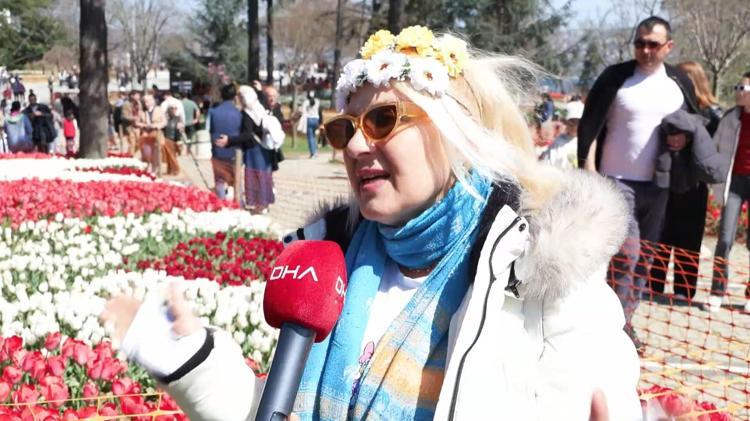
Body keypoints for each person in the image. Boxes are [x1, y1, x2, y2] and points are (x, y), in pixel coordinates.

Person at [103, 26, 641, 420]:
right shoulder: (330, 265)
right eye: (345, 129)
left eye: (384, 119)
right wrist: (194, 360)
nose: (357, 145)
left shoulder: (546, 285)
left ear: (456, 132)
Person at [577, 16, 699, 347]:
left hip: (659, 184)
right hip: (616, 181)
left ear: (668, 47)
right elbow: (591, 124)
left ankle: (625, 321)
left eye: (653, 44)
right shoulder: (616, 78)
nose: (645, 50)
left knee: (644, 258)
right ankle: (613, 325)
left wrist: (684, 140)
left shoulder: (678, 84)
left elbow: (694, 125)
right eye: (640, 43)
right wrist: (589, 166)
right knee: (626, 254)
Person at [650, 61, 724, 302]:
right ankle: (654, 283)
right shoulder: (667, 107)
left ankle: (684, 289)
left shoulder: (711, 115)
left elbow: (713, 150)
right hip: (666, 180)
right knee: (661, 233)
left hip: (694, 185)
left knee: (689, 238)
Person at [708, 71, 750, 313]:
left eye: (743, 88)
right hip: (733, 183)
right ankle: (717, 291)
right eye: (737, 87)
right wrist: (713, 178)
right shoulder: (730, 118)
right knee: (724, 239)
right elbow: (714, 148)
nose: (738, 92)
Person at [215, 86, 276, 214]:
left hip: (254, 149)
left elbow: (247, 134)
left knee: (255, 176)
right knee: (263, 176)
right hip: (263, 147)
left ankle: (260, 204)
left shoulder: (247, 114)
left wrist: (229, 140)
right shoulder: (259, 108)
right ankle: (264, 204)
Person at [208, 84, 242, 199]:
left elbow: (211, 131)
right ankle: (238, 201)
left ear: (221, 96)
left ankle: (221, 201)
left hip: (218, 151)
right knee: (236, 179)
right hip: (235, 151)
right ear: (235, 96)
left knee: (219, 180)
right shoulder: (239, 113)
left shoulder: (214, 112)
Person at [540, 100, 583, 168]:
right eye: (571, 122)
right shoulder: (558, 142)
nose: (574, 126)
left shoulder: (584, 143)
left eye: (577, 122)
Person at [136, 94, 167, 173]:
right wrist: (144, 125)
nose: (146, 103)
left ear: (153, 101)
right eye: (145, 101)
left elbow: (164, 121)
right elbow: (137, 122)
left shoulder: (159, 110)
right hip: (146, 135)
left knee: (157, 152)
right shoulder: (142, 112)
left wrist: (157, 126)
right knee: (147, 152)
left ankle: (156, 168)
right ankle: (148, 166)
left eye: (148, 101)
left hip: (156, 134)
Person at [161, 105, 183, 175]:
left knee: (172, 155)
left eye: (174, 109)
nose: (173, 111)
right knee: (168, 156)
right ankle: (169, 170)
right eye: (171, 110)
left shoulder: (177, 118)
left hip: (173, 139)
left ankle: (176, 169)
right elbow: (163, 129)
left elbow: (179, 130)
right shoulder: (167, 119)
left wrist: (179, 140)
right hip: (167, 138)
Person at [302, 91, 320, 158]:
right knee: (314, 137)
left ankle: (312, 153)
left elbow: (303, 111)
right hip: (316, 120)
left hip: (309, 119)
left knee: (310, 137)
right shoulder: (317, 101)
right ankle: (316, 151)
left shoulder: (306, 102)